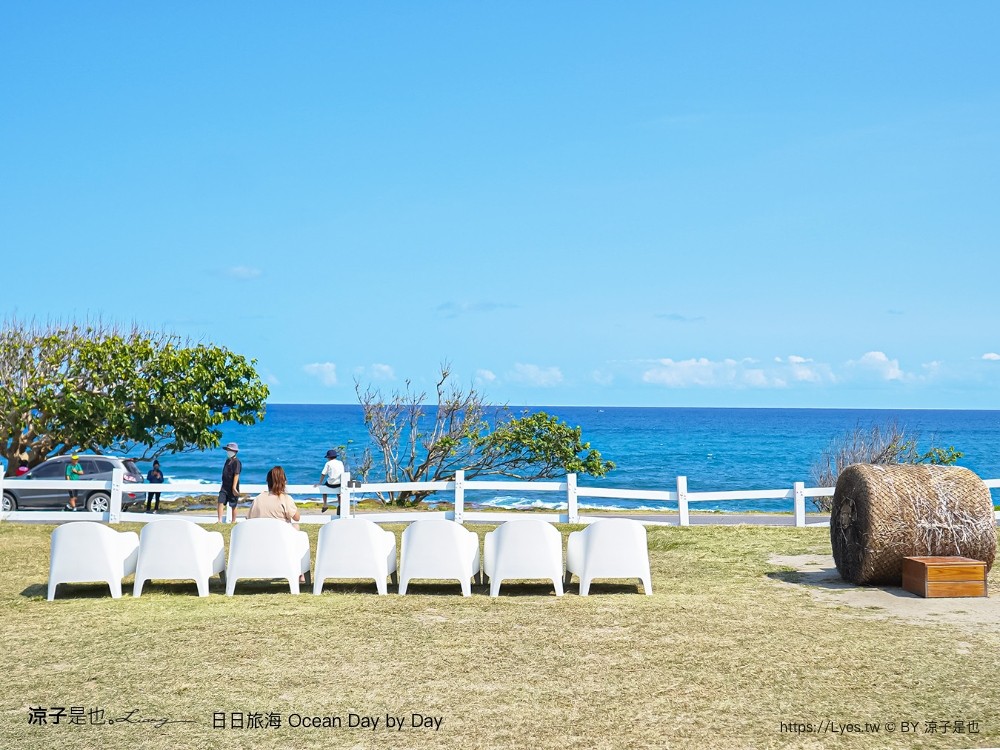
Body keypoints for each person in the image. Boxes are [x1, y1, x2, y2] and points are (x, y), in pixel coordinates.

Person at [218, 442, 242, 523]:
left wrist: (234, 487)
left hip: (232, 486)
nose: (228, 452)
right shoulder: (227, 460)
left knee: (233, 504)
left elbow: (236, 474)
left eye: (230, 450)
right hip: (225, 485)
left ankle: (233, 521)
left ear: (235, 451)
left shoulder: (237, 462)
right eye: (227, 450)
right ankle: (219, 520)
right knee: (220, 501)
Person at [315, 449, 344, 513]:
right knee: (339, 492)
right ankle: (340, 504)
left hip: (331, 483)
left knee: (324, 489)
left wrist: (320, 482)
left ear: (328, 457)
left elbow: (323, 473)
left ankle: (325, 504)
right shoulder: (340, 462)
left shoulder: (328, 463)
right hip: (340, 482)